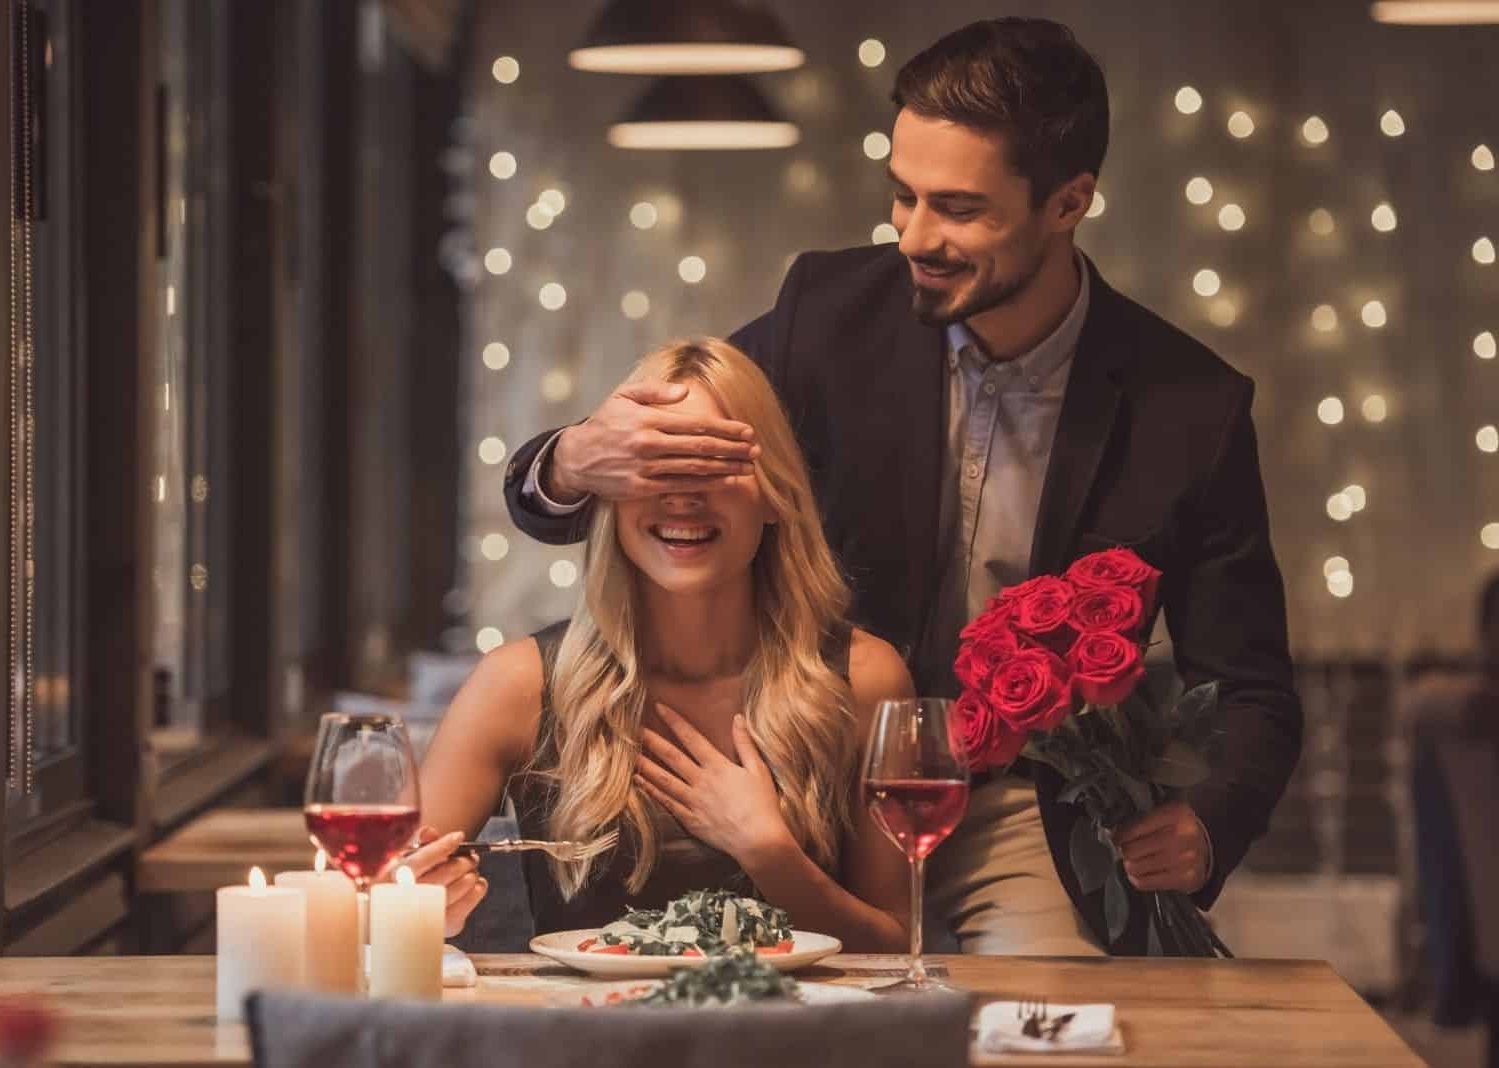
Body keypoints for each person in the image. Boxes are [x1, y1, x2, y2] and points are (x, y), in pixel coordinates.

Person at [501, 17, 1302, 955]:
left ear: (1068, 202)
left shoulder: (1190, 409)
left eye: (959, 209)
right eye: (902, 197)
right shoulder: (825, 316)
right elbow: (663, 488)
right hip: (814, 781)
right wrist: (568, 464)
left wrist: (1206, 822)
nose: (914, 237)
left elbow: (1254, 691)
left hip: (1018, 815)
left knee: (1034, 1028)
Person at [410, 337, 912, 951]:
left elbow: (896, 950)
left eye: (712, 466)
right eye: (654, 468)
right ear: (608, 494)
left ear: (777, 495)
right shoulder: (517, 684)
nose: (682, 497)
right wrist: (417, 906)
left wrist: (769, 853)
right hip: (589, 1041)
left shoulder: (866, 679)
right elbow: (393, 896)